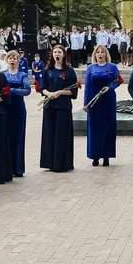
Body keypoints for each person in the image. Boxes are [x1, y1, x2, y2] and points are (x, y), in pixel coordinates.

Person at [39, 45, 78, 173]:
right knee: (49, 134)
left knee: (62, 135)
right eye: (55, 52)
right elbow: (42, 87)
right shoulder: (47, 71)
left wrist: (60, 92)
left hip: (63, 107)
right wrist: (48, 93)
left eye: (59, 52)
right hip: (50, 106)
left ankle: (62, 163)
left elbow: (73, 91)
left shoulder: (69, 71)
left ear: (63, 55)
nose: (57, 54)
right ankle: (49, 162)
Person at [83, 44, 122, 167]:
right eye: (98, 52)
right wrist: (86, 103)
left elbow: (118, 81)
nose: (100, 54)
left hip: (108, 100)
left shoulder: (112, 67)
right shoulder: (90, 68)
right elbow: (87, 86)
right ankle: (95, 156)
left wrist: (110, 88)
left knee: (108, 128)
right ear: (95, 55)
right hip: (94, 102)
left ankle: (106, 156)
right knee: (94, 129)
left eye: (102, 52)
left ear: (106, 54)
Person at [3, 50, 32, 177]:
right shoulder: (3, 75)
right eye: (10, 58)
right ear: (7, 60)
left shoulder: (22, 75)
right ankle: (7, 168)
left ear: (18, 60)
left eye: (15, 58)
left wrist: (12, 90)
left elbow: (27, 90)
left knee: (18, 137)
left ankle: (18, 168)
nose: (12, 60)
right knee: (6, 137)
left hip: (19, 109)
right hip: (6, 109)